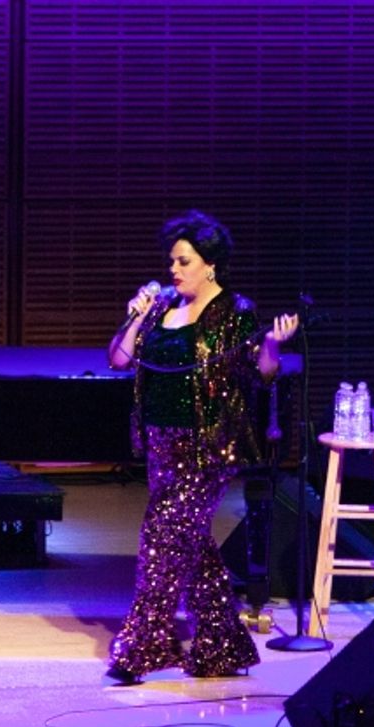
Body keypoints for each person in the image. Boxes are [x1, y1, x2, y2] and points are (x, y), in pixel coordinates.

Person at [104, 210, 298, 683]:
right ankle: (221, 645)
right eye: (171, 261)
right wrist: (135, 315)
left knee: (159, 539)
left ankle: (141, 646)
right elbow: (117, 360)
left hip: (207, 449)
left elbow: (263, 373)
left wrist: (272, 343)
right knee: (193, 544)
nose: (174, 270)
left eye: (184, 261)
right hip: (159, 446)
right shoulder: (161, 308)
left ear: (209, 264)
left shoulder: (236, 312)